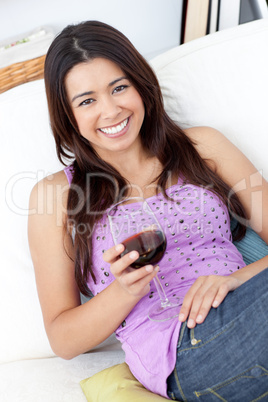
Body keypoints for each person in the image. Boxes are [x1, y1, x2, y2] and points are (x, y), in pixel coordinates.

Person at [28, 20, 268, 401]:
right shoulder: (56, 196)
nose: (110, 110)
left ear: (141, 85)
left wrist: (236, 280)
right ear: (68, 115)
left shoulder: (204, 146)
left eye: (119, 88)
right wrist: (122, 291)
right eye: (87, 101)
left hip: (249, 306)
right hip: (183, 351)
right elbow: (63, 339)